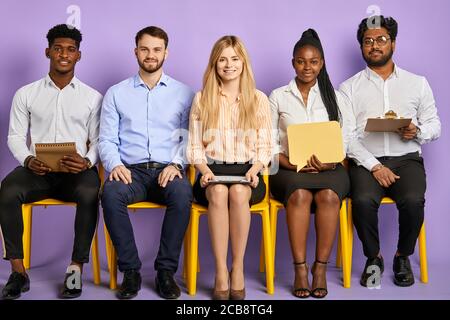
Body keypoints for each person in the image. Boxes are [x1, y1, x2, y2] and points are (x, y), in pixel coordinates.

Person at [0, 24, 102, 300]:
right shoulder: (26, 94)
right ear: (48, 52)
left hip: (76, 174)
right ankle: (18, 272)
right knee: (8, 188)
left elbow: (99, 140)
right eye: (58, 48)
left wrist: (87, 161)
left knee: (91, 190)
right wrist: (28, 159)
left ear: (79, 55)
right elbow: (15, 136)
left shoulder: (93, 97)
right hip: (38, 172)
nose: (64, 54)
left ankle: (75, 269)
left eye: (70, 50)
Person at [339, 16, 440, 287]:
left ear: (393, 43)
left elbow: (435, 125)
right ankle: (374, 257)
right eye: (368, 41)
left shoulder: (417, 83)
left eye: (381, 39)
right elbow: (346, 138)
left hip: (406, 159)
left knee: (413, 199)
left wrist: (417, 131)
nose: (374, 45)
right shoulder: (348, 88)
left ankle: (402, 255)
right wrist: (374, 166)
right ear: (361, 47)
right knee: (361, 201)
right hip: (365, 161)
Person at [99, 26, 195, 300]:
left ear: (166, 52)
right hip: (131, 172)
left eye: (156, 49)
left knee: (181, 193)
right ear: (136, 52)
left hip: (168, 169)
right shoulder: (116, 93)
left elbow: (189, 139)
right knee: (111, 193)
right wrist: (115, 164)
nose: (150, 55)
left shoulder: (184, 93)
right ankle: (131, 271)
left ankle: (166, 273)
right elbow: (106, 139)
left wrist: (176, 164)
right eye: (145, 49)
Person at [187, 35, 272, 300]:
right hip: (211, 171)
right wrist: (204, 170)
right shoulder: (202, 99)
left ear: (244, 63)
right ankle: (221, 270)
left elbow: (267, 145)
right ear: (214, 64)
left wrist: (256, 168)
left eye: (235, 58)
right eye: (222, 59)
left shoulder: (258, 99)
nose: (229, 65)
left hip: (247, 171)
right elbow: (193, 147)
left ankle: (238, 267)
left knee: (236, 193)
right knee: (220, 193)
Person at [269, 29, 350, 298]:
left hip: (330, 169)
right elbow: (267, 143)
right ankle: (300, 268)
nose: (307, 67)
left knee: (328, 196)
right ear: (293, 62)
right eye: (302, 61)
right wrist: (290, 164)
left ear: (322, 63)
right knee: (300, 195)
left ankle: (320, 269)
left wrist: (330, 162)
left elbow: (346, 139)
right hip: (289, 169)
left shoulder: (335, 97)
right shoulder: (278, 96)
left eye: (313, 61)